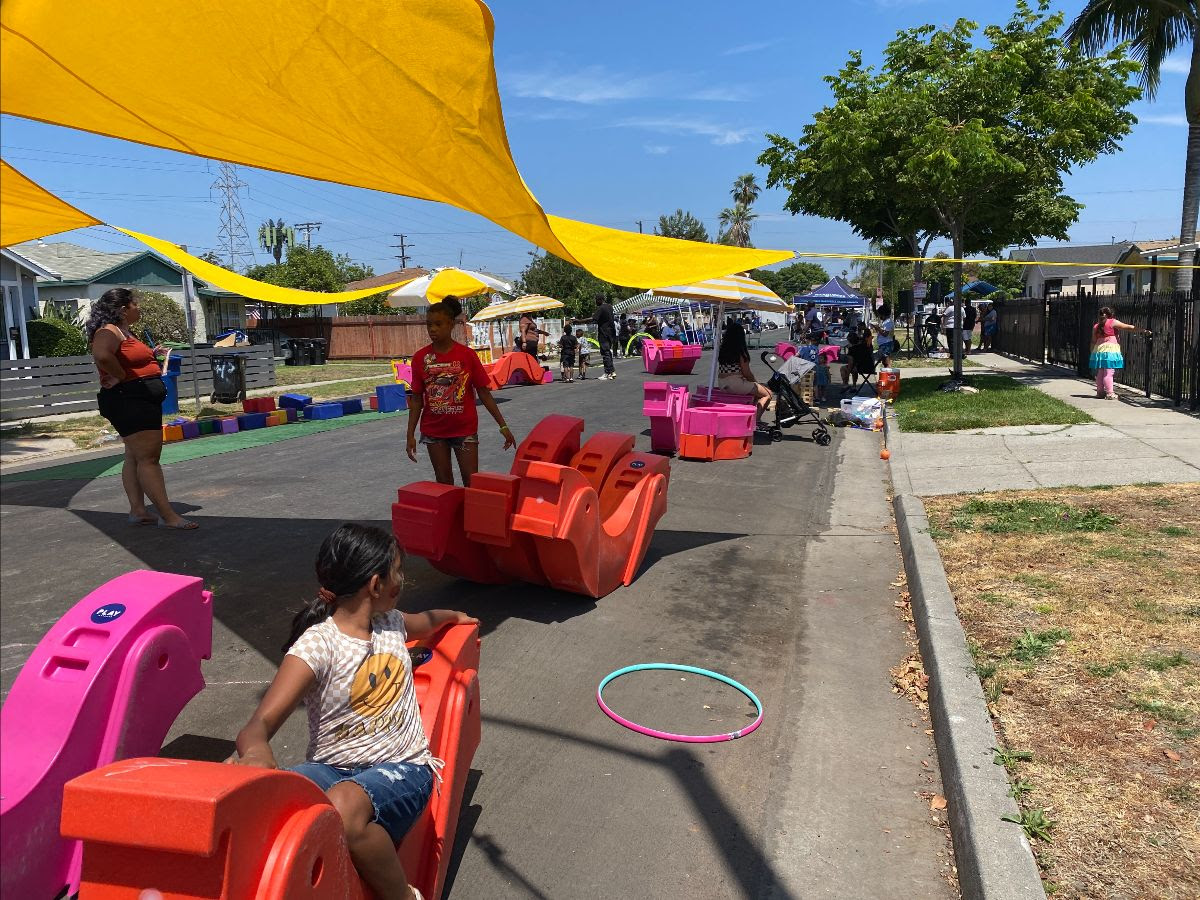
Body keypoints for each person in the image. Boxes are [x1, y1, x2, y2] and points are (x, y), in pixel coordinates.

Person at [231, 522, 479, 900]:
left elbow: (426, 621)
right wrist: (255, 753)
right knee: (275, 803)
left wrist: (453, 615)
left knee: (343, 807)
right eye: (398, 570)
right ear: (376, 585)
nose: (402, 579)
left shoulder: (391, 624)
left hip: (403, 768)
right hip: (332, 768)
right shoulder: (318, 646)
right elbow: (259, 724)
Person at [86, 288, 196, 530]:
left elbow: (126, 357)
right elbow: (102, 355)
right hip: (130, 400)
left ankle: (138, 511)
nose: (140, 308)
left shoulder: (125, 332)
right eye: (136, 304)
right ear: (124, 309)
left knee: (134, 456)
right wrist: (120, 375)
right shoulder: (109, 330)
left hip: (136, 399)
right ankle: (169, 517)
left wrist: (150, 356)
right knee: (149, 459)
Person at [406, 296, 516, 485]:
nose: (432, 329)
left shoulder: (467, 355)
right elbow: (416, 400)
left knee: (471, 481)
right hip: (434, 432)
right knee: (444, 483)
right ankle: (452, 516)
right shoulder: (420, 358)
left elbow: (484, 393)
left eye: (438, 324)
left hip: (464, 430)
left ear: (451, 324)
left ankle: (471, 516)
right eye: (429, 324)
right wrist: (410, 435)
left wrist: (503, 426)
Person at [1090, 306, 1150, 400]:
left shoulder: (1096, 326)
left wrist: (1092, 352)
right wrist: (1143, 330)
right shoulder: (1112, 322)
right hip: (1110, 349)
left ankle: (1100, 392)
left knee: (1101, 372)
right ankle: (1110, 393)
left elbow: (1093, 340)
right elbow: (1128, 327)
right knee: (1109, 372)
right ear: (1111, 314)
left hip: (1099, 350)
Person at [716, 320, 771, 423]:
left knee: (754, 393)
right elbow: (747, 373)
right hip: (736, 384)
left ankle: (750, 417)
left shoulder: (722, 351)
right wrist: (756, 383)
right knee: (767, 394)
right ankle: (755, 421)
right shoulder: (740, 352)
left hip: (722, 383)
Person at [574, 295, 617, 380]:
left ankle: (607, 373)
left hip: (604, 333)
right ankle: (612, 372)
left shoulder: (601, 308)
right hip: (611, 333)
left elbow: (592, 318)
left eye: (596, 300)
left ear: (600, 300)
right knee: (608, 353)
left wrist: (579, 321)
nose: (595, 302)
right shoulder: (610, 307)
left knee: (605, 353)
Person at [873, 303, 896, 367]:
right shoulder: (885, 322)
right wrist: (878, 329)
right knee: (884, 361)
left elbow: (885, 334)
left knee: (886, 360)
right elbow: (883, 331)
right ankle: (886, 370)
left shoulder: (888, 322)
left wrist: (878, 328)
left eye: (880, 315)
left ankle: (888, 371)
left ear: (883, 314)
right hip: (883, 344)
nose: (879, 316)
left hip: (886, 344)